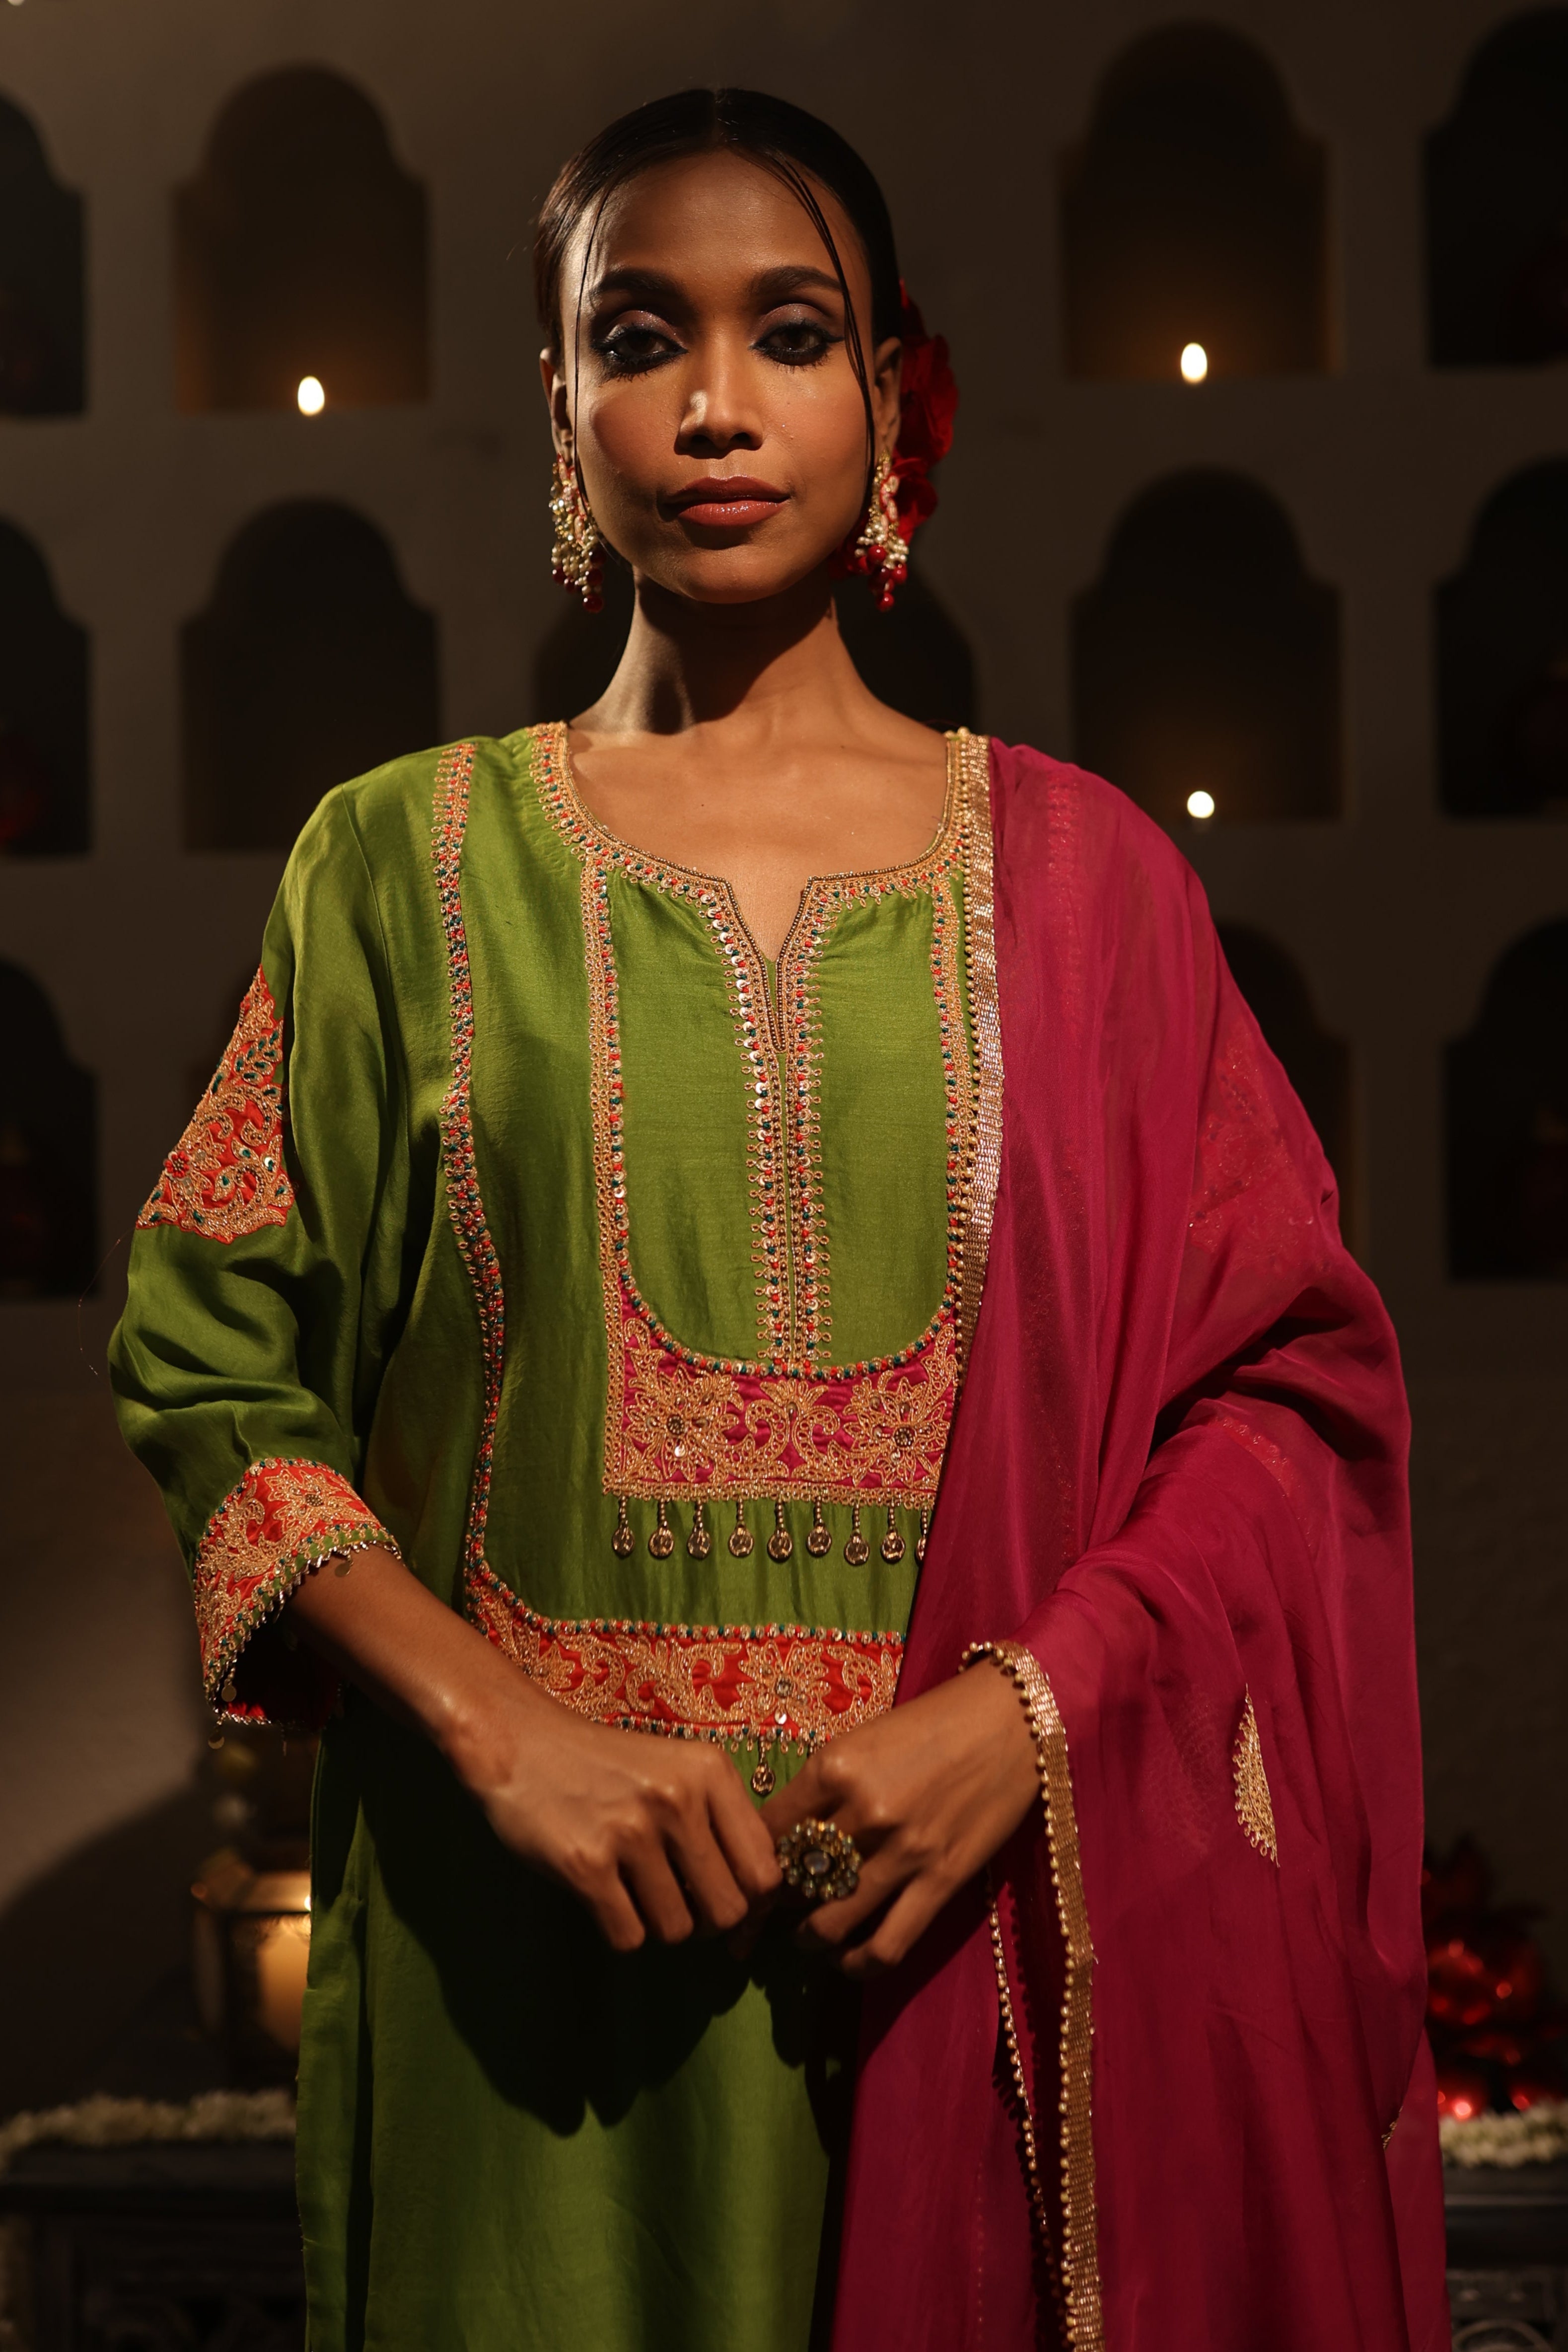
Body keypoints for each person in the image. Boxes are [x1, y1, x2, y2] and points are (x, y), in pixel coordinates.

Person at [111, 86, 1447, 2352]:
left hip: (971, 1945)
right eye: (640, 336)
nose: (715, 404)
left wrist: (1026, 1713)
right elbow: (209, 1367)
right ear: (558, 405)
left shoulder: (1094, 882)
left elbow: (1283, 1393)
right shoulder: (397, 864)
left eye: (788, 332)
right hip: (524, 1971)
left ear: (892, 395)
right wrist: (501, 1729)